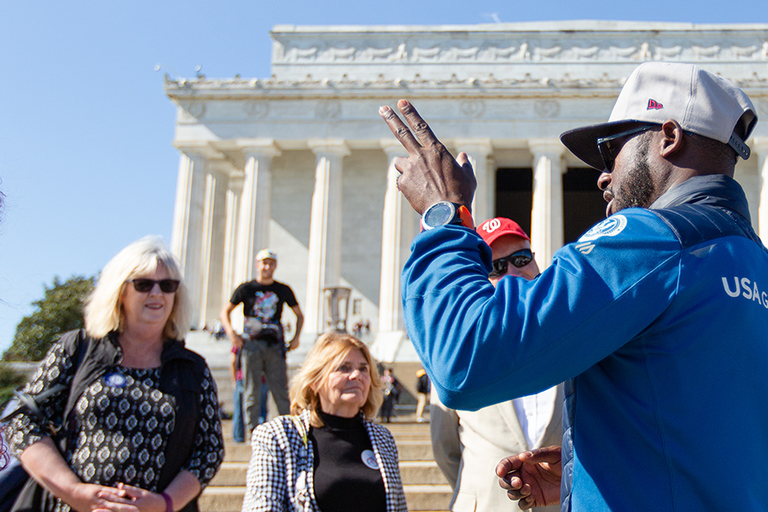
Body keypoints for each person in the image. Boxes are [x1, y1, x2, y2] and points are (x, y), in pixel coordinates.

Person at [379, 61, 766, 511]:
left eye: (611, 152)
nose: (603, 176)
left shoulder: (651, 241)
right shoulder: (750, 261)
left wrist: (445, 217)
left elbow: (465, 356)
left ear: (669, 138)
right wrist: (601, 462)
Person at [4, 236, 224, 512]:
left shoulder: (192, 367)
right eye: (144, 284)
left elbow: (208, 450)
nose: (157, 294)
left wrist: (164, 504)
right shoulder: (78, 348)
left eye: (167, 286)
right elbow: (22, 422)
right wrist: (74, 492)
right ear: (120, 291)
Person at [430, 217, 562, 512]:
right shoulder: (456, 351)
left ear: (536, 262)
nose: (512, 273)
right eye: (495, 267)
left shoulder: (576, 339)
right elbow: (445, 448)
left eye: (520, 258)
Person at [241, 331, 407, 512]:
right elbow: (261, 507)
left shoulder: (382, 439)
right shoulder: (278, 436)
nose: (356, 375)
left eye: (363, 369)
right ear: (315, 380)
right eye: (344, 367)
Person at [220, 248, 304, 435]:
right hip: (251, 345)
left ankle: (290, 432)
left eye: (271, 263)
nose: (267, 267)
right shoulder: (246, 288)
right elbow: (225, 311)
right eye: (264, 263)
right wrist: (232, 334)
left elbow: (299, 314)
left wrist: (296, 337)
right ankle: (252, 434)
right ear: (257, 265)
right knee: (251, 391)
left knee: (280, 390)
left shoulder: (283, 289)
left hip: (275, 346)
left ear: (275, 266)